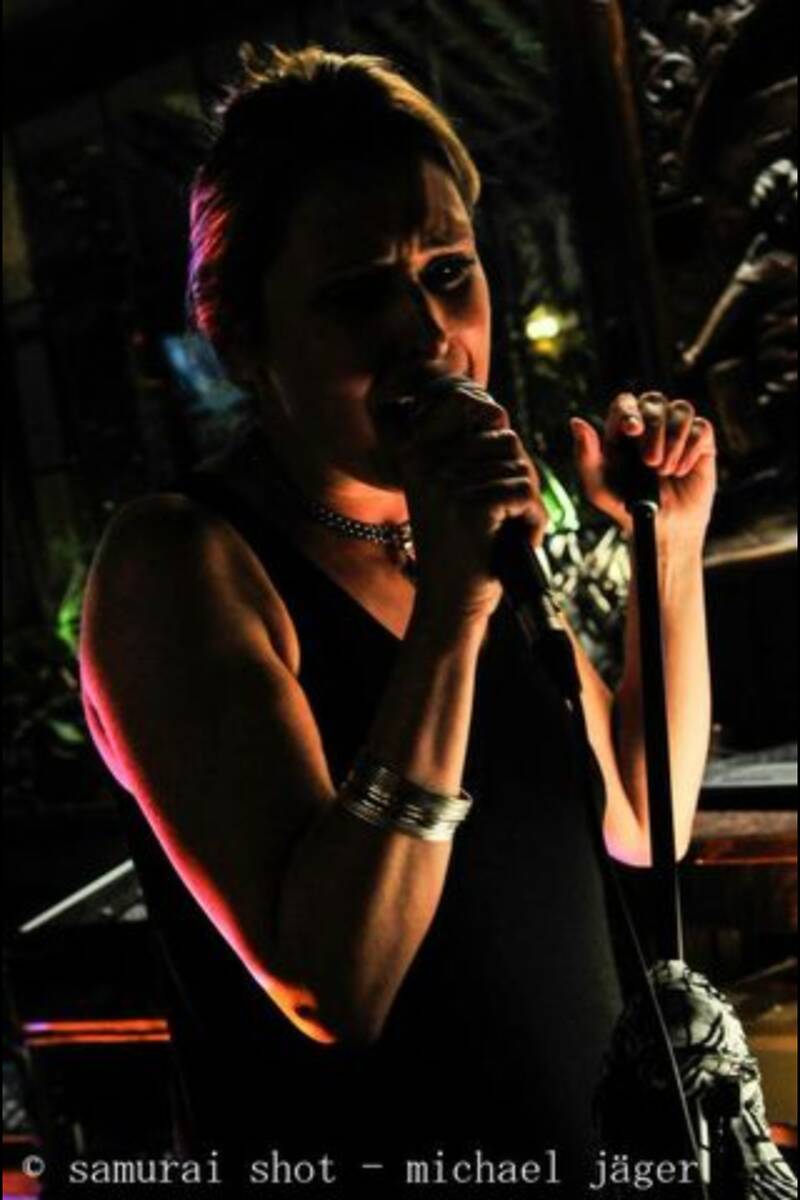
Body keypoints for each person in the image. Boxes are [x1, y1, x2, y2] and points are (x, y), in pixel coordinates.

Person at [80, 45, 717, 1196]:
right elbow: (335, 982)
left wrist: (665, 549)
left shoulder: (456, 535)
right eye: (355, 293)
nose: (423, 333)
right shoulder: (180, 561)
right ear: (242, 339)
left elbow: (641, 820)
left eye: (447, 271)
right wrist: (453, 613)